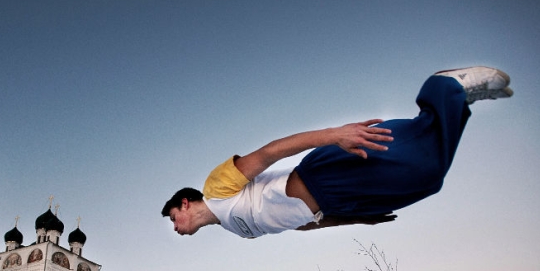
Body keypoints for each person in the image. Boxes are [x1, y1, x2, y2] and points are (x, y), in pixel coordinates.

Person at [162, 66, 513, 238]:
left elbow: (270, 153)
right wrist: (355, 219)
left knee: (420, 165)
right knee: (428, 182)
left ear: (185, 204)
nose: (176, 230)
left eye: (173, 219)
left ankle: (445, 86)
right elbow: (300, 225)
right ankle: (459, 100)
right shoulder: (235, 229)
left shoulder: (215, 187)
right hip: (339, 202)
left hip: (324, 174)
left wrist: (335, 135)